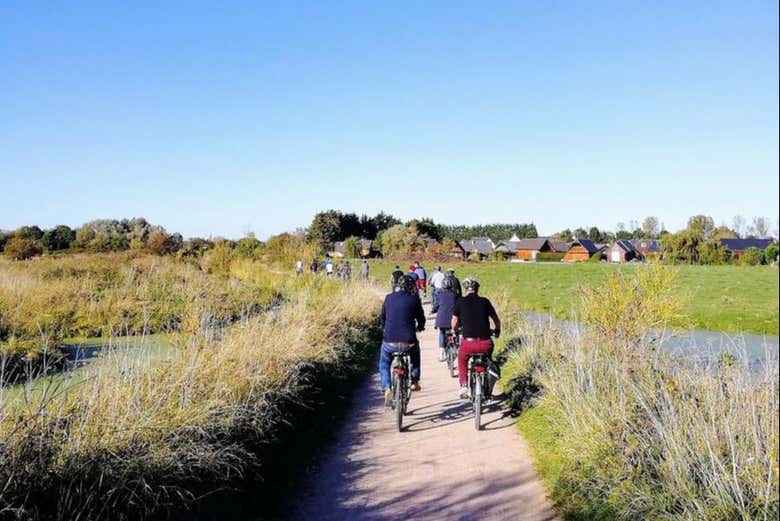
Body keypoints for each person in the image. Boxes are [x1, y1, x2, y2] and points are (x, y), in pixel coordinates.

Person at [379, 275, 426, 406]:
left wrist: (384, 328)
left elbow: (383, 317)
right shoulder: (414, 299)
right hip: (408, 342)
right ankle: (414, 381)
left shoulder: (388, 297)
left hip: (389, 341)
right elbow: (421, 318)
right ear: (412, 286)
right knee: (415, 354)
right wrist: (420, 327)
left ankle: (387, 387)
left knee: (384, 363)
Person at [451, 277, 500, 399]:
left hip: (468, 344)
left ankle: (463, 385)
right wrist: (497, 330)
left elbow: (455, 320)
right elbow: (495, 319)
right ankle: (487, 386)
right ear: (477, 289)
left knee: (462, 359)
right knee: (488, 360)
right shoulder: (485, 301)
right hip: (485, 343)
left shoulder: (460, 301)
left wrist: (454, 330)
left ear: (465, 289)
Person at [434, 275, 459, 362]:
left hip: (442, 320)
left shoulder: (439, 294)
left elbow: (436, 305)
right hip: (452, 319)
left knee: (441, 333)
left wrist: (434, 309)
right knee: (456, 330)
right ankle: (457, 347)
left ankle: (441, 353)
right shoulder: (454, 294)